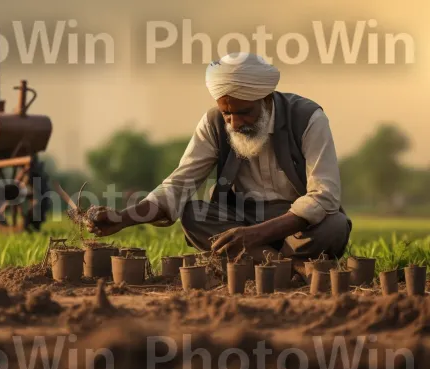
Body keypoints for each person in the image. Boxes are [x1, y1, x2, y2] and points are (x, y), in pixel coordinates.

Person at [86, 52, 351, 263]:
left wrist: (256, 235)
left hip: (295, 226)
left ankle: (255, 261)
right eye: (227, 114)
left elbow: (324, 195)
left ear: (266, 98)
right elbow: (178, 186)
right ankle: (290, 266)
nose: (234, 123)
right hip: (242, 218)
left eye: (244, 112)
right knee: (194, 214)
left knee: (335, 225)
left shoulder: (308, 118)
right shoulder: (213, 123)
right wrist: (122, 218)